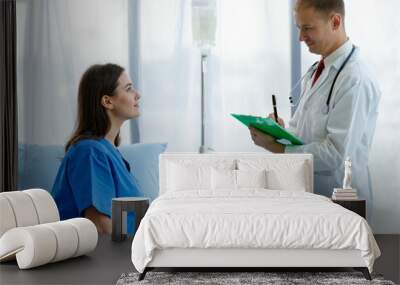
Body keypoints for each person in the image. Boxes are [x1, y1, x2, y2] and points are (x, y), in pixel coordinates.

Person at [249, 0, 381, 205]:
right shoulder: (318, 70)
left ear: (335, 22)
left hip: (341, 202)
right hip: (311, 196)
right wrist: (280, 134)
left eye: (308, 28)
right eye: (299, 28)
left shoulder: (355, 78)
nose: (301, 37)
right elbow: (303, 132)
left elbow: (336, 154)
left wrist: (277, 148)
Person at [52, 63, 142, 234]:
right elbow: (101, 227)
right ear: (107, 101)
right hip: (111, 257)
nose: (138, 95)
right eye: (129, 89)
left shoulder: (108, 151)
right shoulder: (89, 152)